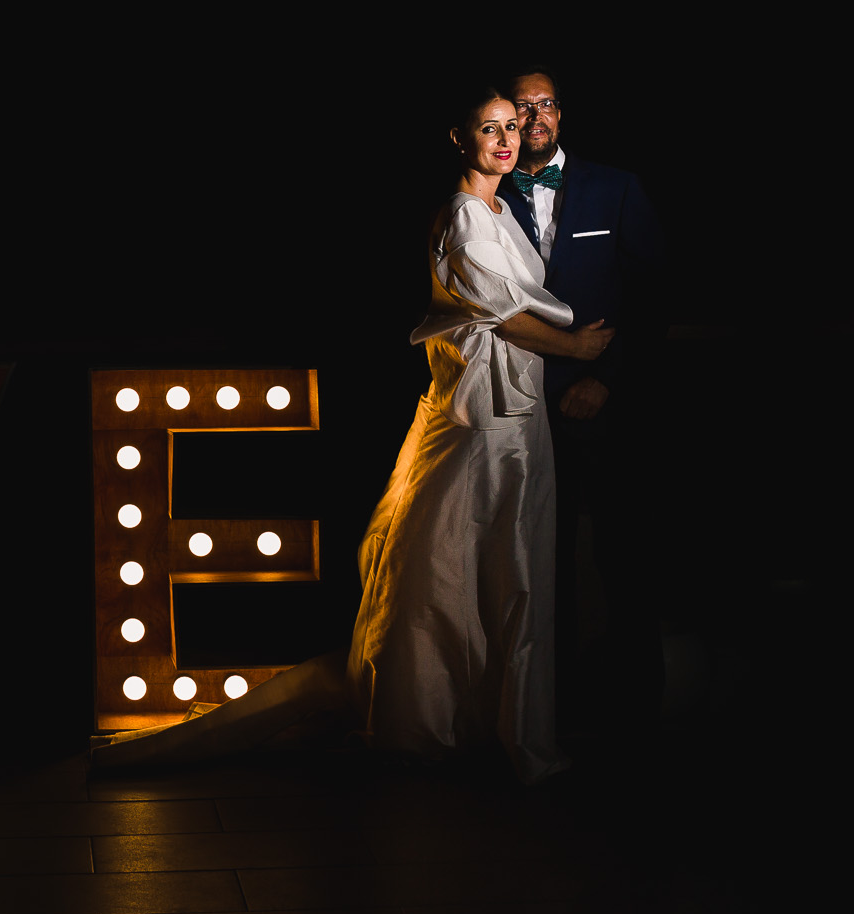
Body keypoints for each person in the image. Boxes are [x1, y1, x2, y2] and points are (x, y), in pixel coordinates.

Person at [92, 92, 613, 784]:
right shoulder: (462, 214)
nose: (506, 140)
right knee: (463, 565)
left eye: (511, 128)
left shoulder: (495, 210)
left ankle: (480, 717)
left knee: (493, 567)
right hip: (481, 419)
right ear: (459, 138)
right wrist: (575, 348)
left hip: (513, 416)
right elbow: (504, 313)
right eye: (490, 129)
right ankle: (437, 720)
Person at [495, 71, 666, 742]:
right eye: (519, 107)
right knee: (539, 562)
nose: (532, 117)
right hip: (520, 408)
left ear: (559, 115)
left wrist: (609, 381)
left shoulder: (615, 186)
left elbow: (652, 298)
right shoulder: (488, 194)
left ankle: (636, 711)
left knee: (624, 555)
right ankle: (551, 713)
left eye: (544, 105)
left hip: (604, 405)